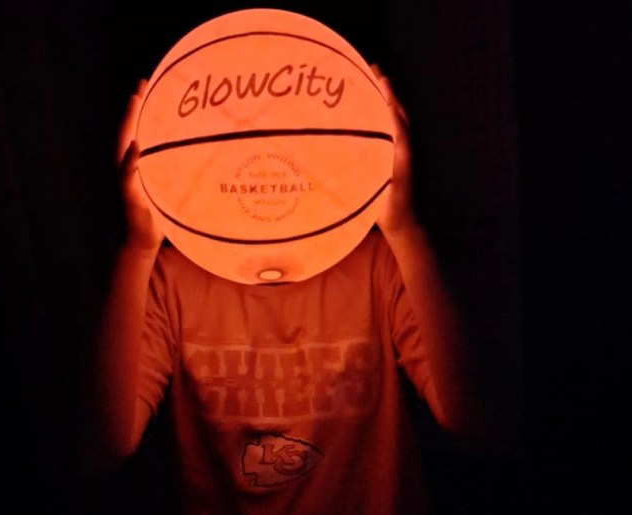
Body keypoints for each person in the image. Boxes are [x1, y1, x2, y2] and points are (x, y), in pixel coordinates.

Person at [96, 66, 474, 515]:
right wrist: (137, 251)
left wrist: (406, 230)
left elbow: (474, 420)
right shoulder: (173, 275)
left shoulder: (376, 260)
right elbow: (103, 447)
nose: (267, 169)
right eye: (244, 138)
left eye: (286, 137)